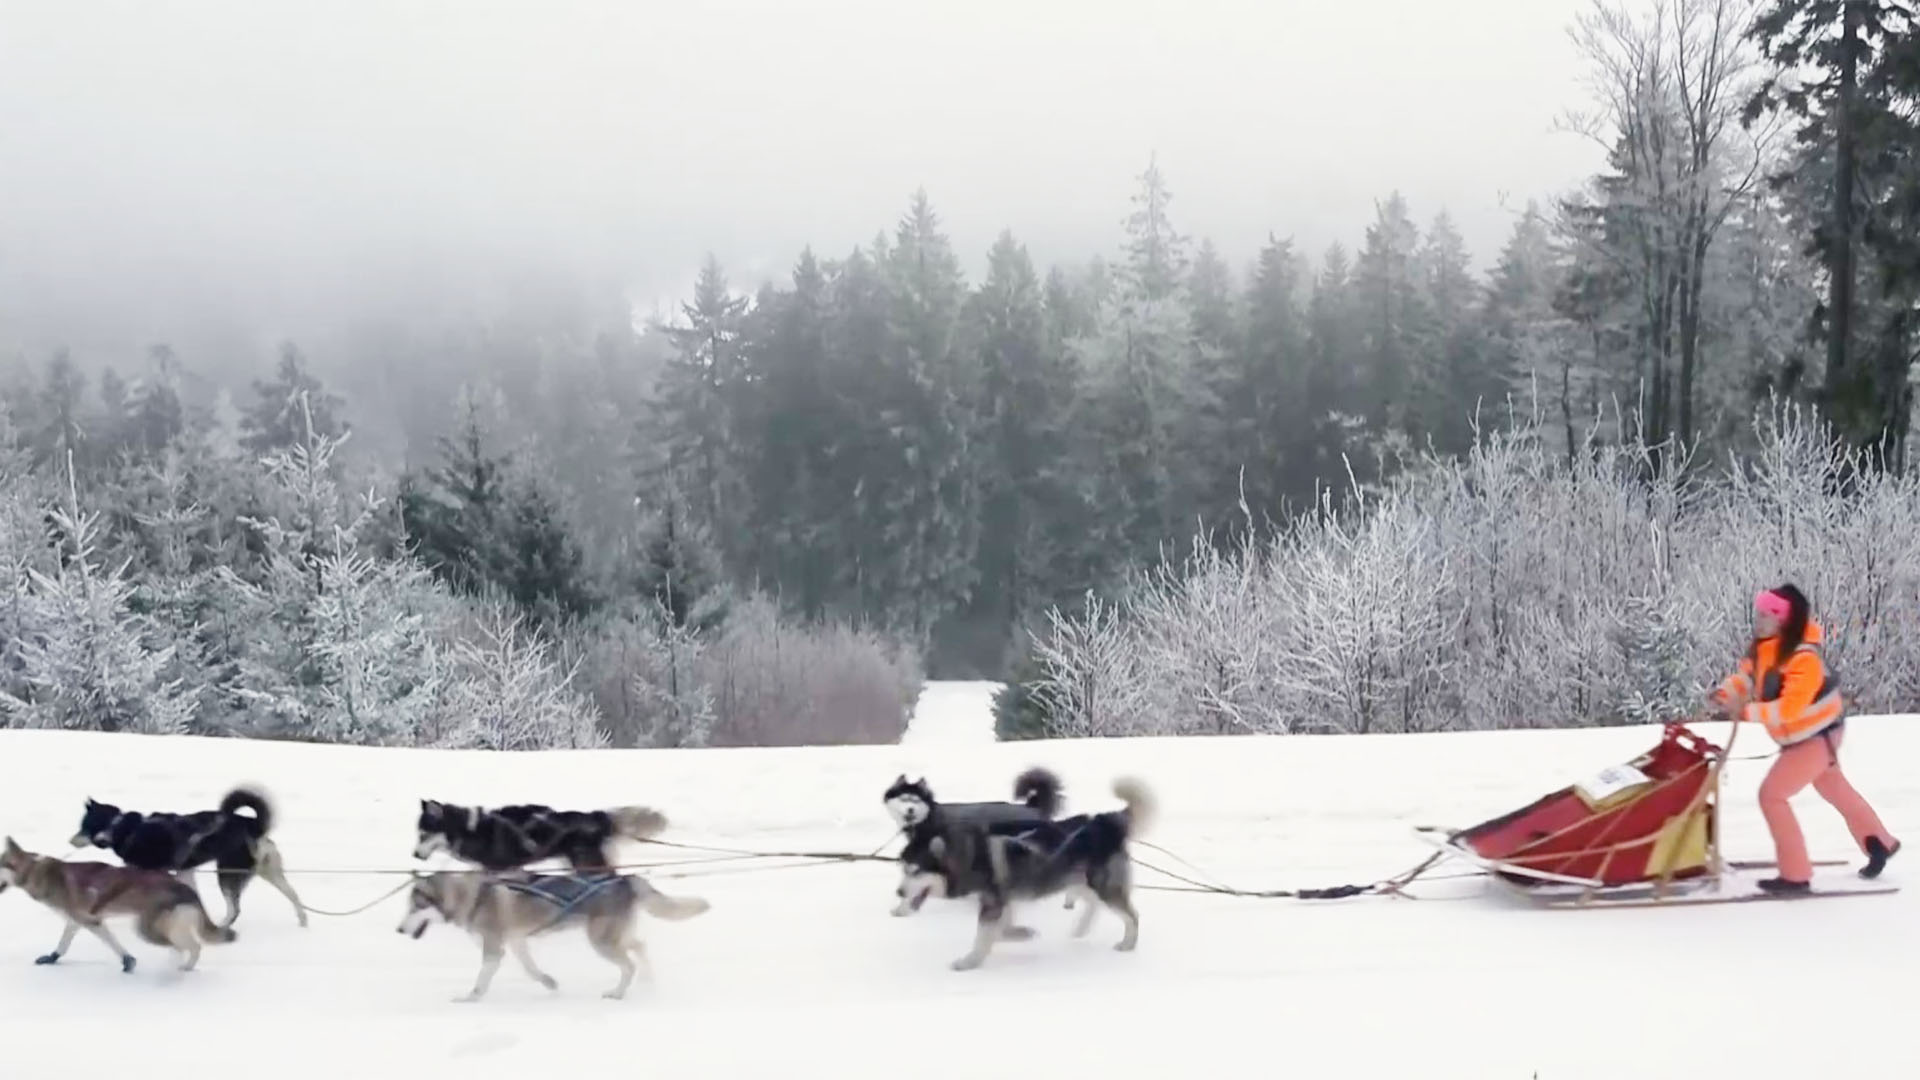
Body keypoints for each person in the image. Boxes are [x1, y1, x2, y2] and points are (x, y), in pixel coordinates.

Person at [1713, 584, 1900, 894]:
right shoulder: (1764, 649)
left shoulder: (1803, 657)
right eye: (1759, 614)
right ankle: (1879, 841)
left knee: (1771, 795)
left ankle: (1796, 875)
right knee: (1833, 787)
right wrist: (1726, 693)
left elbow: (1790, 708)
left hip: (1815, 737)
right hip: (1806, 738)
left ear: (1784, 620)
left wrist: (1745, 713)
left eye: (1767, 615)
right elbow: (1746, 679)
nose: (1759, 620)